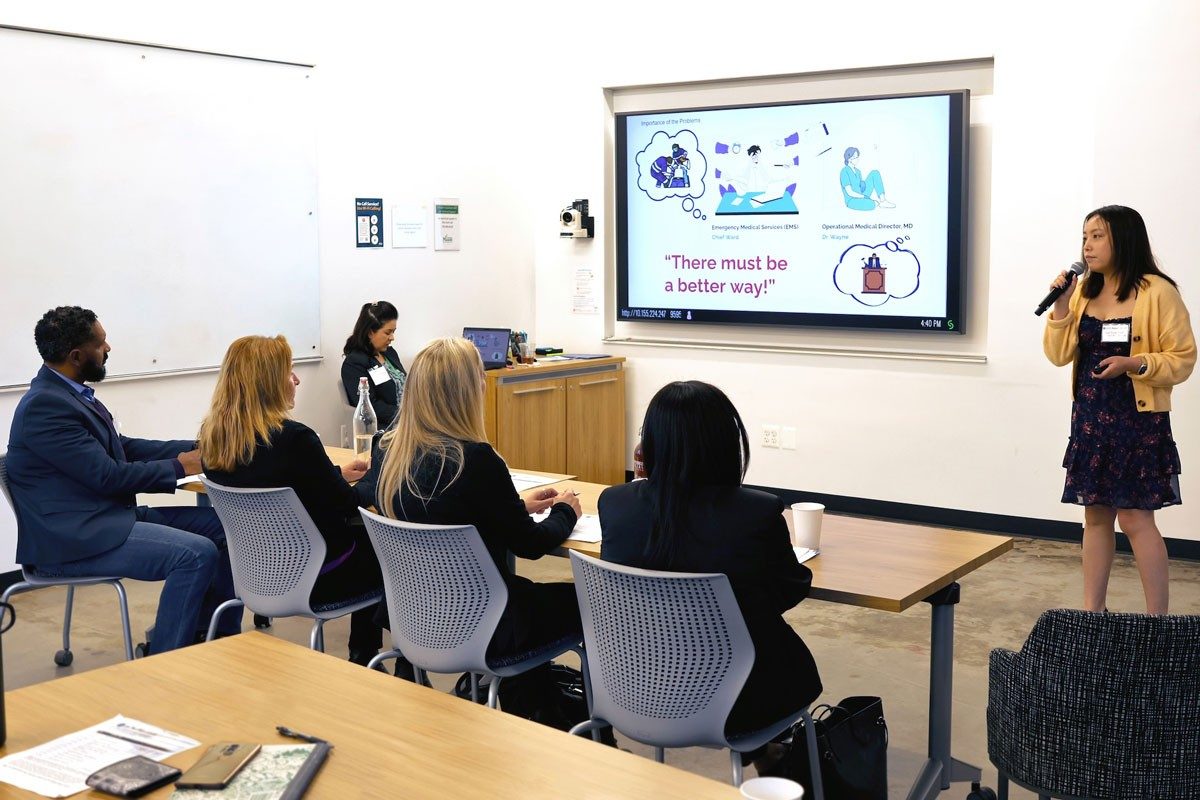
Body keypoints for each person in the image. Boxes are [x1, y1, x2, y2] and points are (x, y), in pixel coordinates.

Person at [597, 380, 821, 771]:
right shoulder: (757, 513)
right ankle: (772, 755)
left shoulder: (615, 503)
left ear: (651, 442)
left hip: (633, 686)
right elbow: (787, 590)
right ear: (726, 442)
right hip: (737, 700)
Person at [371, 336, 582, 723]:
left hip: (416, 615)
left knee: (528, 605)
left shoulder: (390, 453)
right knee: (585, 602)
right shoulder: (477, 460)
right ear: (465, 392)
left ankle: (532, 703)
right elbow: (530, 545)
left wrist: (515, 507)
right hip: (487, 621)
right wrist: (565, 513)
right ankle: (567, 724)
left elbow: (450, 511)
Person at [5, 306, 238, 654]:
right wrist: (181, 466)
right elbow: (109, 477)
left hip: (104, 520)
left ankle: (211, 639)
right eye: (101, 344)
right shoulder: (46, 407)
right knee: (195, 553)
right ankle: (166, 657)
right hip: (73, 541)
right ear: (76, 355)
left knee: (228, 527)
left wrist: (197, 448)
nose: (108, 349)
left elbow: (122, 448)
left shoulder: (68, 394)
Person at [1044, 205, 1196, 614]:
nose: (1087, 246)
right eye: (1085, 237)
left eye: (1097, 236)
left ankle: (1156, 621)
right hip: (1091, 421)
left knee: (1135, 519)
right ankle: (1093, 611)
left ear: (1123, 239)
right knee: (1095, 516)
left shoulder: (1157, 292)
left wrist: (1135, 364)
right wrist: (1060, 307)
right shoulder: (1081, 291)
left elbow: (1182, 357)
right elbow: (1059, 355)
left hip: (1138, 421)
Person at [200, 335, 385, 664]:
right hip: (318, 578)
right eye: (289, 372)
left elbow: (277, 479)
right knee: (387, 550)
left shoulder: (215, 439)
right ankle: (367, 658)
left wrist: (332, 474)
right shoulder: (295, 439)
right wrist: (377, 472)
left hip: (256, 576)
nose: (297, 379)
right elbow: (349, 502)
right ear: (269, 382)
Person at [341, 301, 407, 428]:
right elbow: (370, 405)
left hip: (406, 421)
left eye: (394, 332)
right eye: (388, 333)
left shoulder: (390, 353)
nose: (392, 337)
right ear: (370, 332)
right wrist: (405, 415)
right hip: (384, 427)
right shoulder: (354, 363)